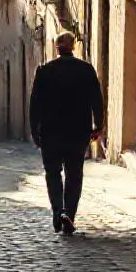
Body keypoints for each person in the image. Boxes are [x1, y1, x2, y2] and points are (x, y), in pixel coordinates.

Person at [29, 32, 103, 236]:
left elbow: (34, 104)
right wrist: (99, 125)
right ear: (73, 47)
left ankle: (57, 212)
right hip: (78, 132)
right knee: (74, 174)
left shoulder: (44, 71)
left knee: (53, 173)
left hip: (51, 131)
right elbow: (97, 98)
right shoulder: (86, 70)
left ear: (56, 48)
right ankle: (69, 213)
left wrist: (34, 130)